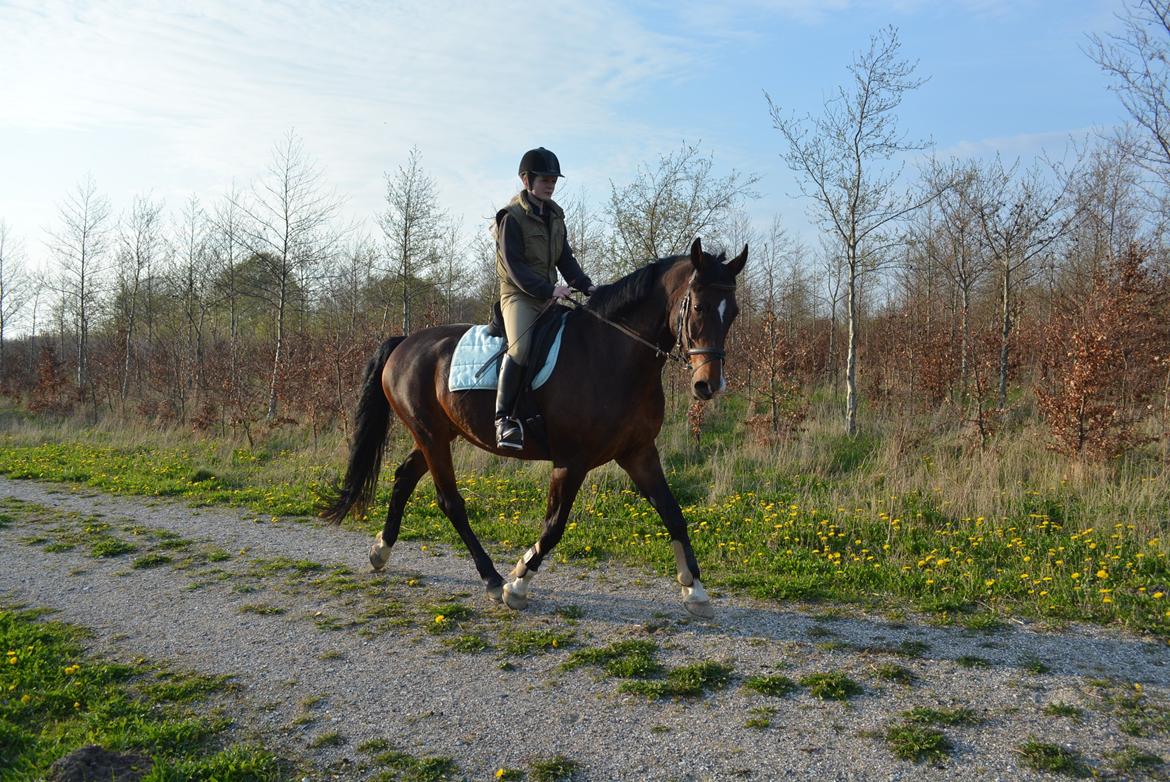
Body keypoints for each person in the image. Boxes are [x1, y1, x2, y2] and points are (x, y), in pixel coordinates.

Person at [493, 147, 595, 449]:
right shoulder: (511, 218)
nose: (550, 185)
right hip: (519, 297)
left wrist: (588, 287)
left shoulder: (555, 217)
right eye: (545, 180)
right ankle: (503, 419)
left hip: (548, 297)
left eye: (553, 180)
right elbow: (515, 268)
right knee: (521, 348)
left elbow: (566, 260)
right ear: (527, 180)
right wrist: (550, 290)